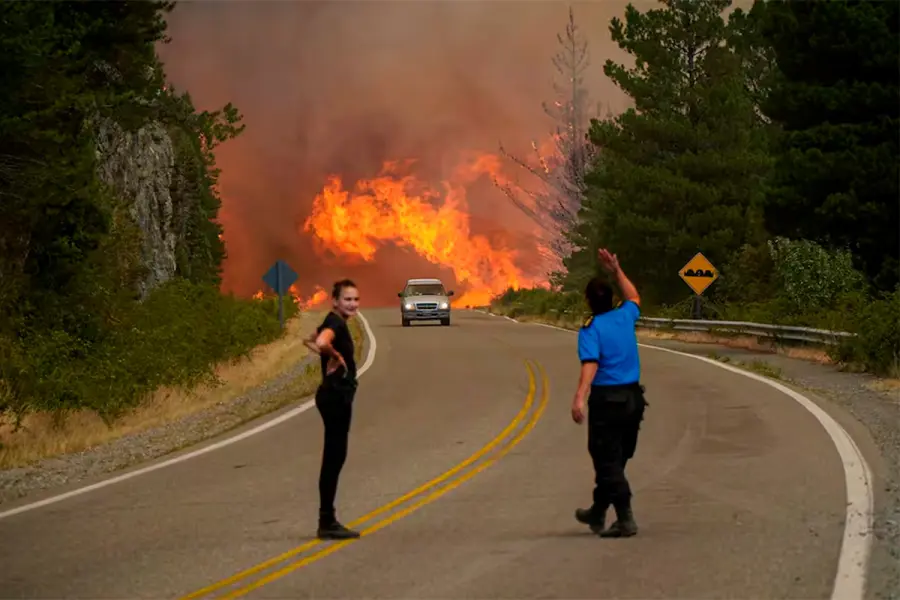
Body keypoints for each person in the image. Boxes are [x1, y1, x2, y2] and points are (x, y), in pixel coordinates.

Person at [571, 249, 648, 538]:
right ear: (612, 299)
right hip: (633, 400)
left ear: (589, 301)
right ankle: (598, 511)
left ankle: (626, 519)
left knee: (607, 461)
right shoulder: (625, 315)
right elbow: (634, 296)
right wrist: (617, 270)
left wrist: (580, 396)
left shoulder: (591, 329)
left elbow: (591, 363)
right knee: (616, 459)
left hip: (608, 402)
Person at [303, 278, 362, 540]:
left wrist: (327, 354)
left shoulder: (333, 321)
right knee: (334, 458)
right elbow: (321, 341)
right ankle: (326, 520)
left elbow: (310, 339)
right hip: (335, 397)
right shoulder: (335, 324)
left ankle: (327, 519)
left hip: (333, 396)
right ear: (335, 301)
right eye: (347, 299)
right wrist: (335, 356)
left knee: (335, 456)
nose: (353, 304)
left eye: (356, 299)